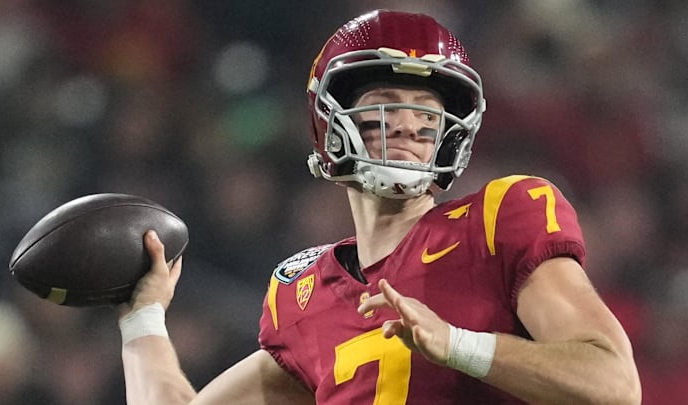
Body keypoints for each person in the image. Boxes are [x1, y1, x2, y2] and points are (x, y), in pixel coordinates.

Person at [119, 9, 642, 404]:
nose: (411, 126)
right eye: (386, 107)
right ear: (332, 123)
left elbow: (614, 384)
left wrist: (458, 344)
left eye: (427, 112)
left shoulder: (498, 218)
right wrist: (142, 319)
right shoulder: (302, 297)